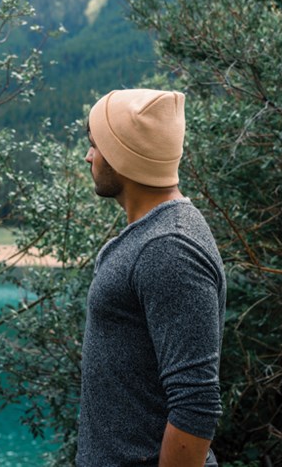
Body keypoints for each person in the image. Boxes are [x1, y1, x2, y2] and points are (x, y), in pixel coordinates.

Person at [78, 88, 226, 467]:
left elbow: (196, 403)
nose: (88, 156)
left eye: (95, 145)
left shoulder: (168, 248)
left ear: (122, 154)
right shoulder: (153, 236)